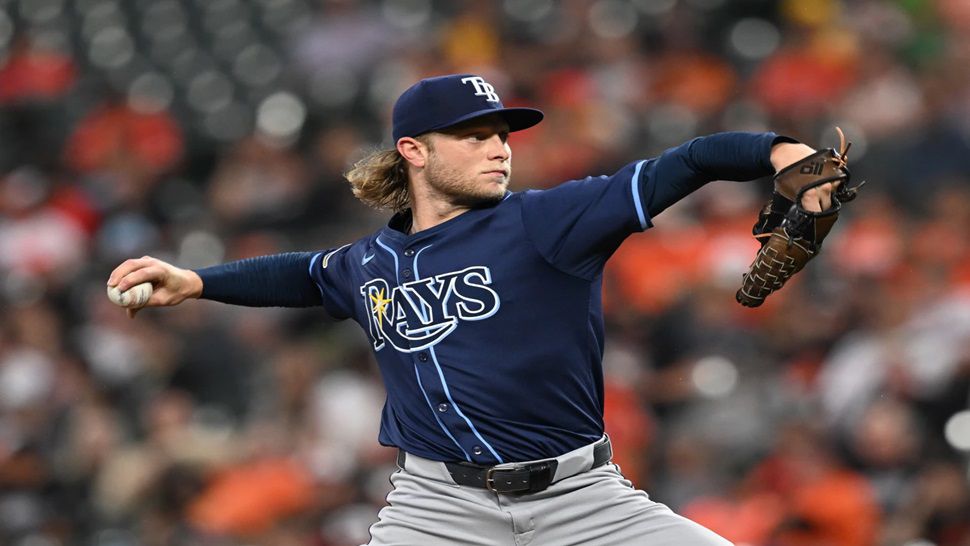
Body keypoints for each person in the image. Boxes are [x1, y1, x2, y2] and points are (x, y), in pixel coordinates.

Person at [108, 74, 838, 545]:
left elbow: (690, 161)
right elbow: (303, 274)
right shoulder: (371, 262)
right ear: (414, 151)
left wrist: (780, 151)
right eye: (474, 136)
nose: (498, 149)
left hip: (581, 499)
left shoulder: (549, 221)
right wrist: (196, 280)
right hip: (436, 510)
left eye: (501, 136)